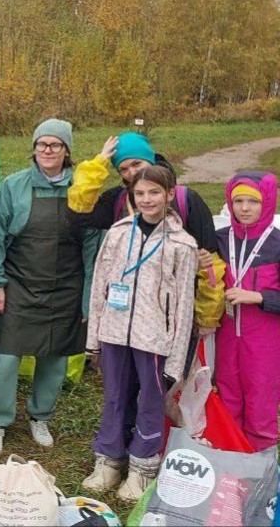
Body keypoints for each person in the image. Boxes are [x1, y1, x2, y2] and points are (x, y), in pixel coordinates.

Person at [0, 119, 99, 453]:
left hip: (66, 288)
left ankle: (40, 416)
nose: (47, 150)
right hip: (16, 285)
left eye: (55, 145)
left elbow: (93, 249)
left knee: (54, 358)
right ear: (33, 148)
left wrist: (88, 300)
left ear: (67, 151)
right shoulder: (13, 186)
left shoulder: (82, 191)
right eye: (41, 144)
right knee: (4, 358)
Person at [83, 165, 198, 501]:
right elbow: (100, 286)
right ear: (132, 196)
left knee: (150, 401)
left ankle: (142, 467)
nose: (147, 200)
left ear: (169, 193)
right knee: (114, 397)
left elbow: (184, 307)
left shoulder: (182, 244)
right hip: (115, 333)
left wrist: (176, 359)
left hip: (154, 340)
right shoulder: (118, 234)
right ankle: (109, 460)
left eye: (154, 192)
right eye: (140, 193)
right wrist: (95, 339)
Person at [68, 132, 224, 329]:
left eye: (137, 164)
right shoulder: (117, 201)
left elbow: (210, 263)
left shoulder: (186, 200)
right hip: (126, 312)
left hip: (173, 312)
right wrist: (99, 163)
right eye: (123, 169)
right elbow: (78, 213)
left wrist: (207, 317)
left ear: (151, 161)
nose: (132, 173)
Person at [214, 172, 280, 452]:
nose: (244, 208)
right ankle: (230, 462)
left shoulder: (277, 243)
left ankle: (261, 465)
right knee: (227, 398)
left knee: (261, 400)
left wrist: (257, 297)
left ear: (267, 203)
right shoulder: (218, 239)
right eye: (237, 200)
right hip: (226, 336)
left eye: (252, 201)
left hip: (264, 339)